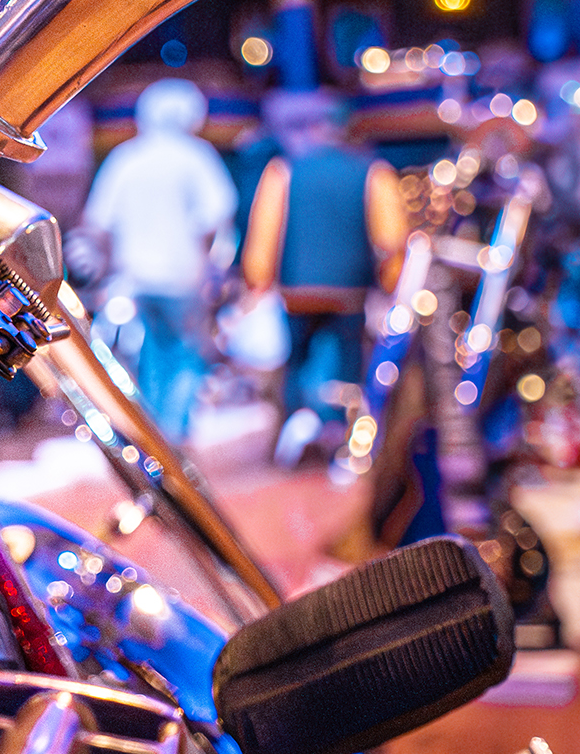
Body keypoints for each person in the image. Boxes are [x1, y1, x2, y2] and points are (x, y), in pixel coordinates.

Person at [240, 91, 407, 465]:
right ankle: (338, 431)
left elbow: (264, 232)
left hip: (296, 289)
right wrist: (390, 282)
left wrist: (258, 280)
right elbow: (391, 237)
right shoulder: (372, 171)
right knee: (346, 358)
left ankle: (293, 427)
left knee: (296, 359)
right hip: (350, 289)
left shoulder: (284, 170)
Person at [68, 78, 237, 441]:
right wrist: (208, 269)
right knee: (185, 357)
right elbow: (214, 220)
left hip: (135, 279)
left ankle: (152, 434)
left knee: (148, 358)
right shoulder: (197, 157)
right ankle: (173, 438)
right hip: (183, 279)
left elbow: (98, 223)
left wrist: (105, 268)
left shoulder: (127, 157)